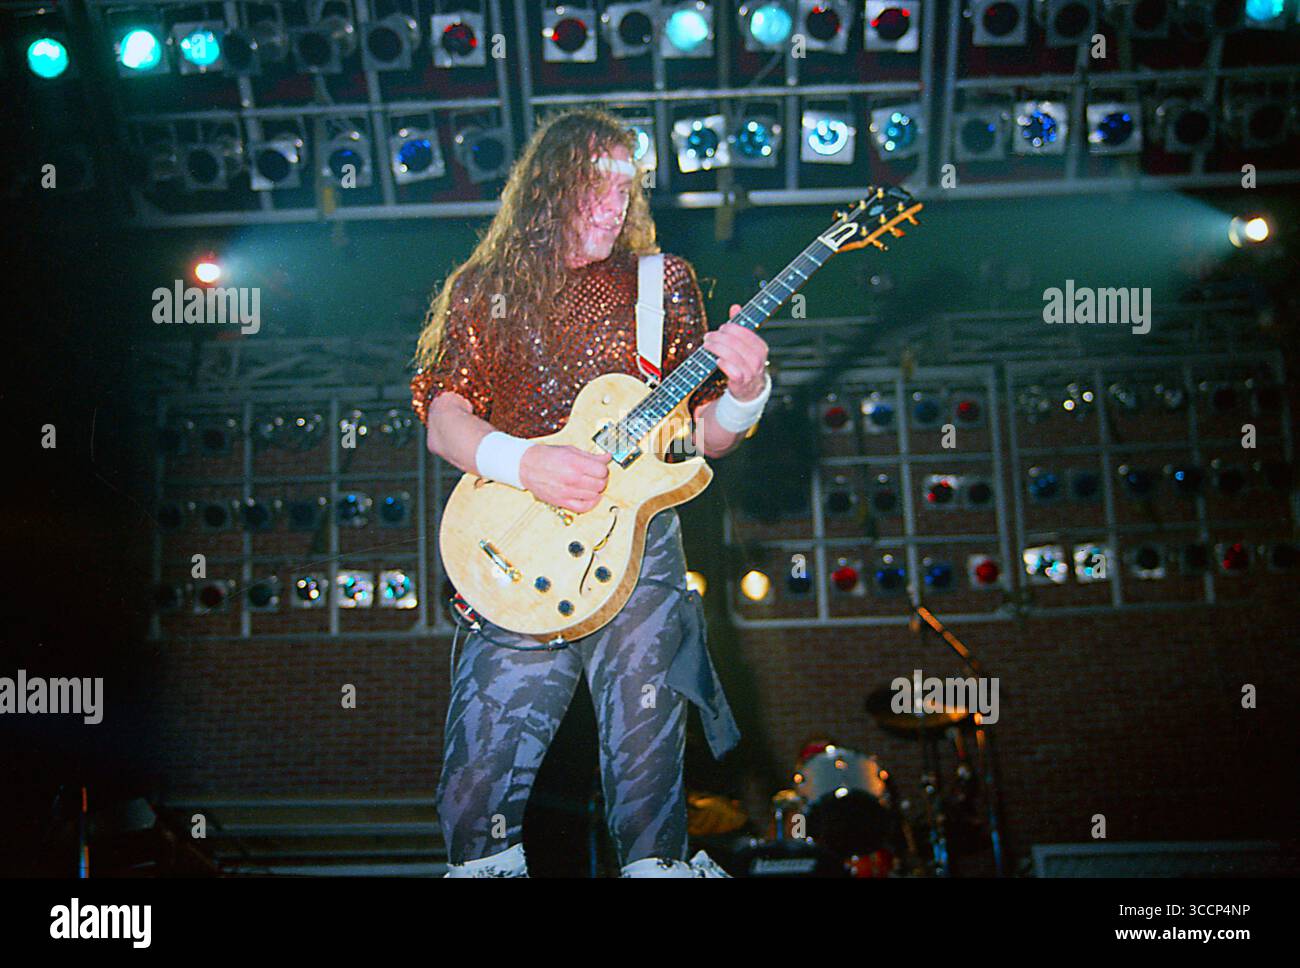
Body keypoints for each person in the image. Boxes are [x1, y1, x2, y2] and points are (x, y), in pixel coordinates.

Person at [410, 108, 771, 877]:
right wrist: (526, 463)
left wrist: (745, 392)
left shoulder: (658, 282)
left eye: (626, 187)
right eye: (596, 186)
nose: (616, 204)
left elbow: (696, 438)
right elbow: (445, 421)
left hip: (639, 555)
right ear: (548, 186)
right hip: (520, 543)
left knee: (649, 790)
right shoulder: (485, 288)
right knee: (475, 791)